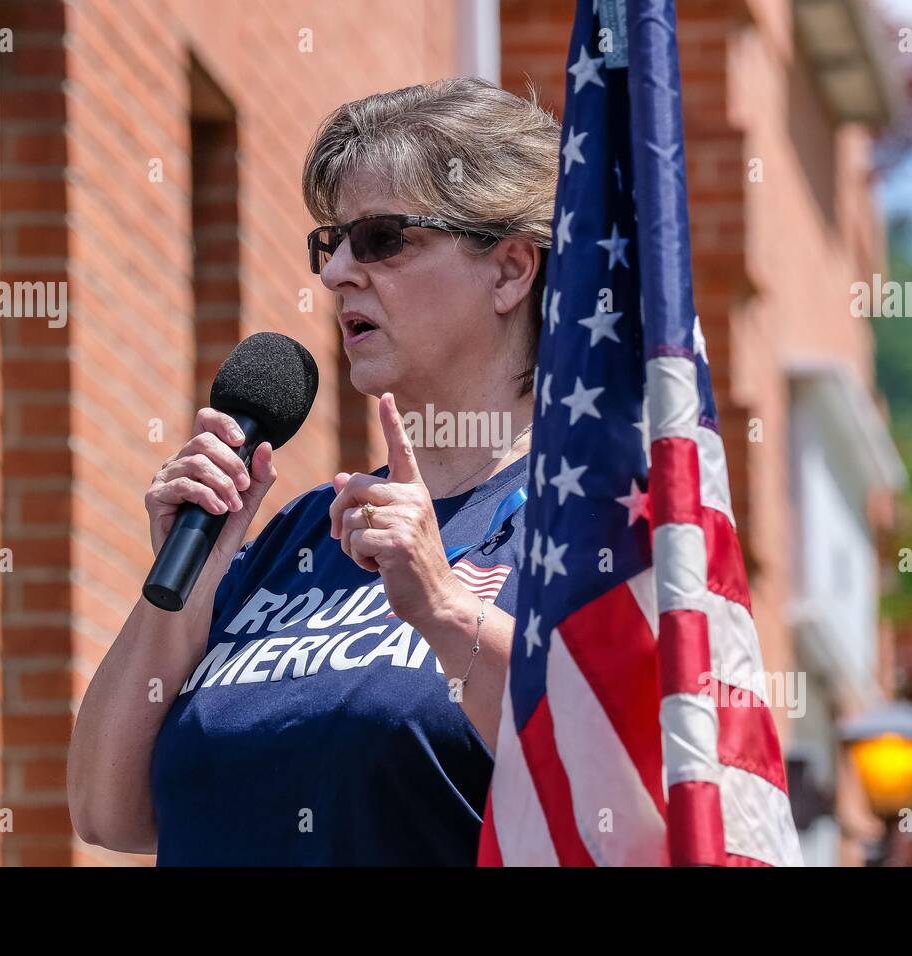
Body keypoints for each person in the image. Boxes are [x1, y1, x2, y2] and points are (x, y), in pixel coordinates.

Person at [67, 76, 560, 864]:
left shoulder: (590, 521)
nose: (335, 276)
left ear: (508, 270)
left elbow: (619, 773)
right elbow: (107, 810)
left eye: (382, 239)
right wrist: (189, 582)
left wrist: (440, 606)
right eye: (331, 245)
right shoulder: (302, 535)